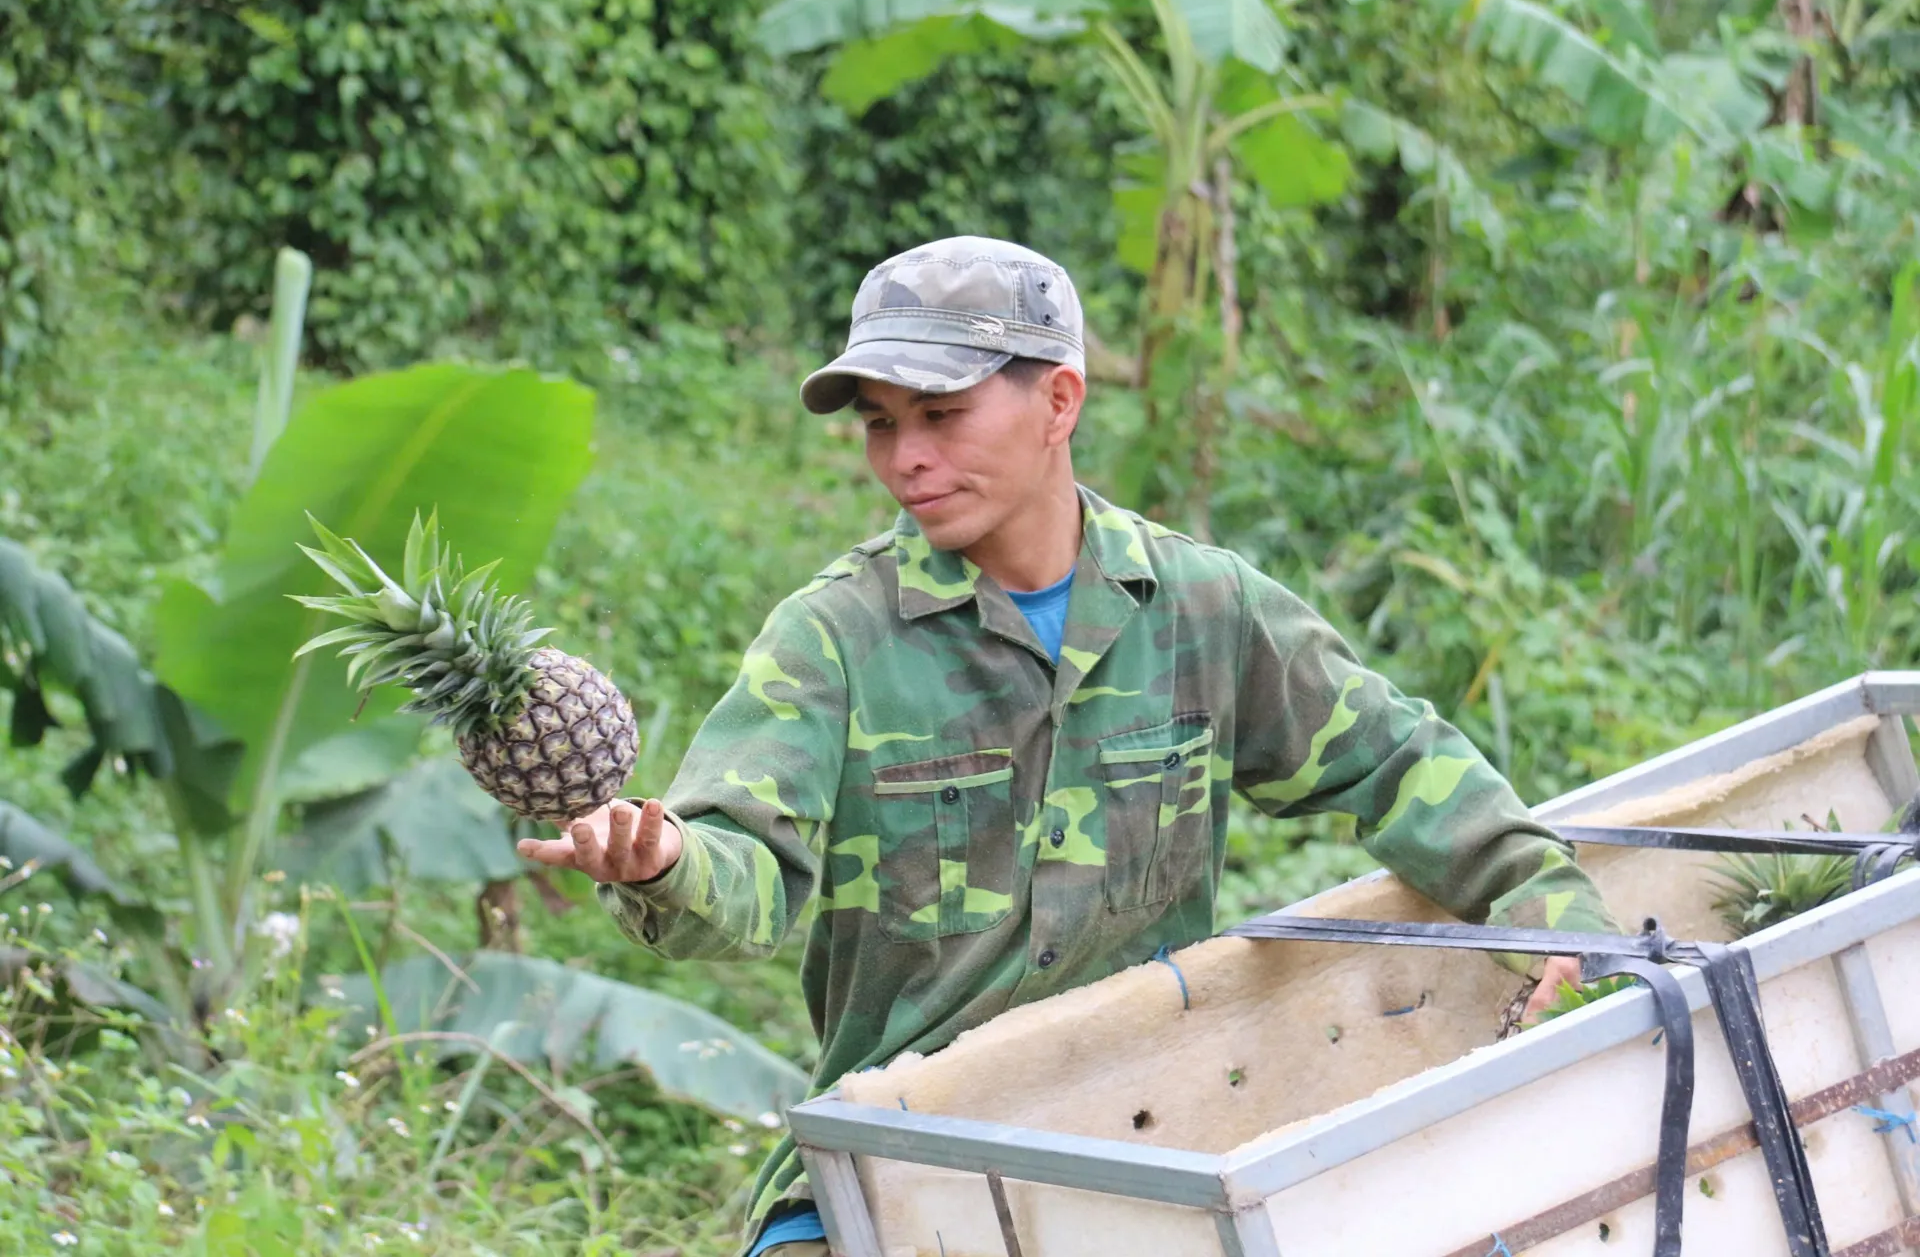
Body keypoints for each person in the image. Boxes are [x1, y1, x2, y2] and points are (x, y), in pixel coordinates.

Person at [515, 236, 1617, 1257]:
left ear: (1058, 400)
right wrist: (663, 861)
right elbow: (747, 866)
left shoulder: (1199, 609)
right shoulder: (838, 638)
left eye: (940, 415)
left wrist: (1556, 914)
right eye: (881, 423)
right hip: (902, 1163)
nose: (906, 457)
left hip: (1144, 1143)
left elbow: (1397, 760)